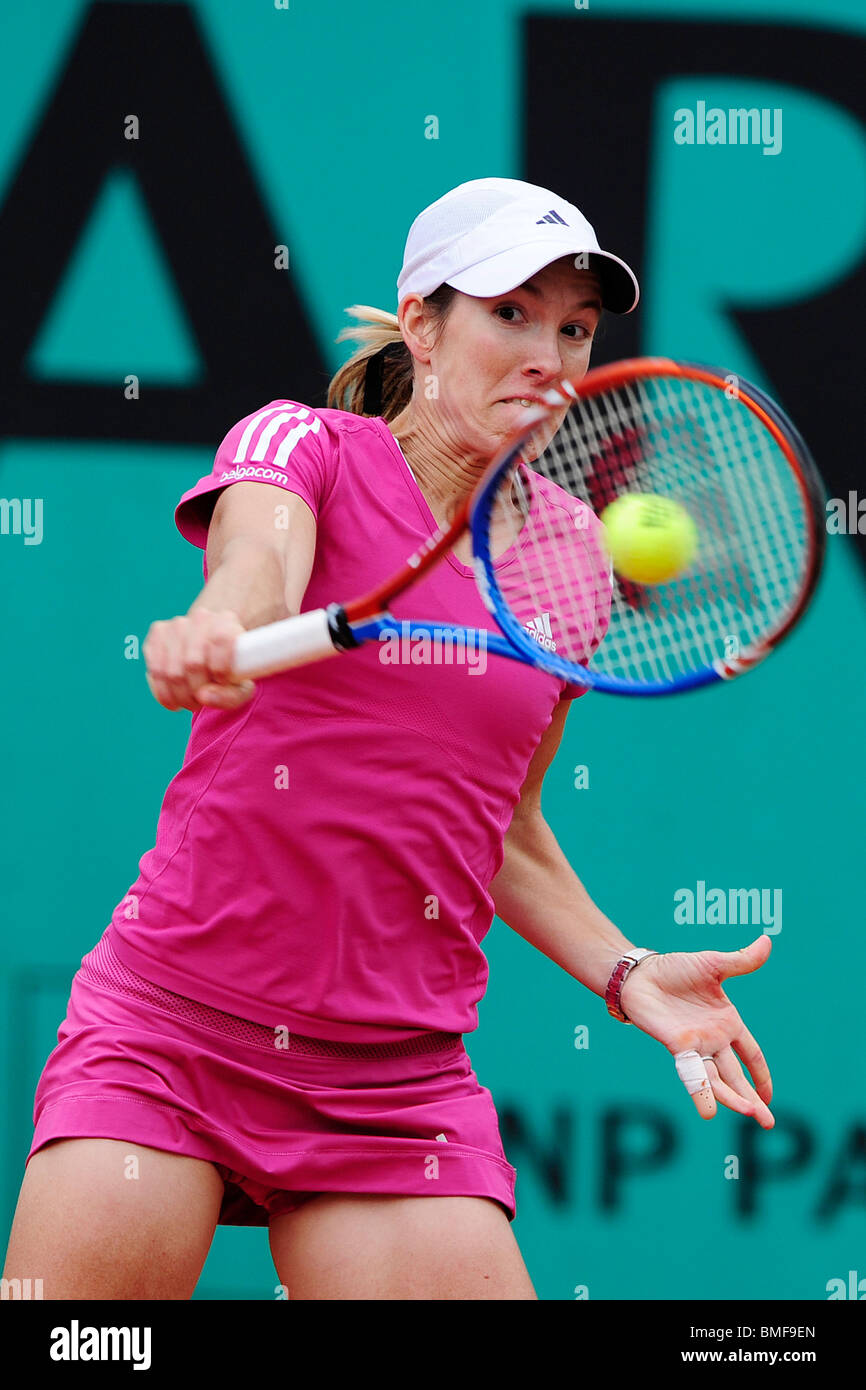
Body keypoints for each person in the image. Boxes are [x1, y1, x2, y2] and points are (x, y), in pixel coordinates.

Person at [3, 177, 774, 1302]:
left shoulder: (568, 561)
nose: (546, 355)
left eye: (572, 328)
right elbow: (256, 567)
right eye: (508, 314)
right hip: (173, 1033)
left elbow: (498, 829)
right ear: (418, 321)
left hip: (392, 1085)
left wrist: (626, 970)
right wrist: (226, 625)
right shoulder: (301, 445)